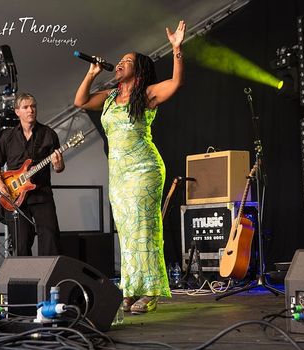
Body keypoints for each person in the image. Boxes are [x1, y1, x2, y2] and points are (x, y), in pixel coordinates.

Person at [74, 20, 185, 314]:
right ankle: (131, 287)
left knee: (142, 230)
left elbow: (175, 83)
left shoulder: (146, 94)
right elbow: (80, 101)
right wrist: (92, 73)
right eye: (120, 61)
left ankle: (149, 292)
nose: (120, 64)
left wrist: (176, 50)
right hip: (119, 175)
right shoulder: (110, 97)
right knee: (127, 233)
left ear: (139, 70)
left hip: (143, 169)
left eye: (127, 62)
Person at [0, 92, 65, 256]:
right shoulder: (8, 136)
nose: (30, 110)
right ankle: (25, 280)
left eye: (33, 106)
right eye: (25, 107)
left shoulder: (48, 134)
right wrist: (0, 183)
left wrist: (58, 164)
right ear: (17, 111)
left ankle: (49, 279)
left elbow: (59, 168)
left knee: (50, 238)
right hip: (15, 197)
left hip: (41, 195)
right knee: (21, 243)